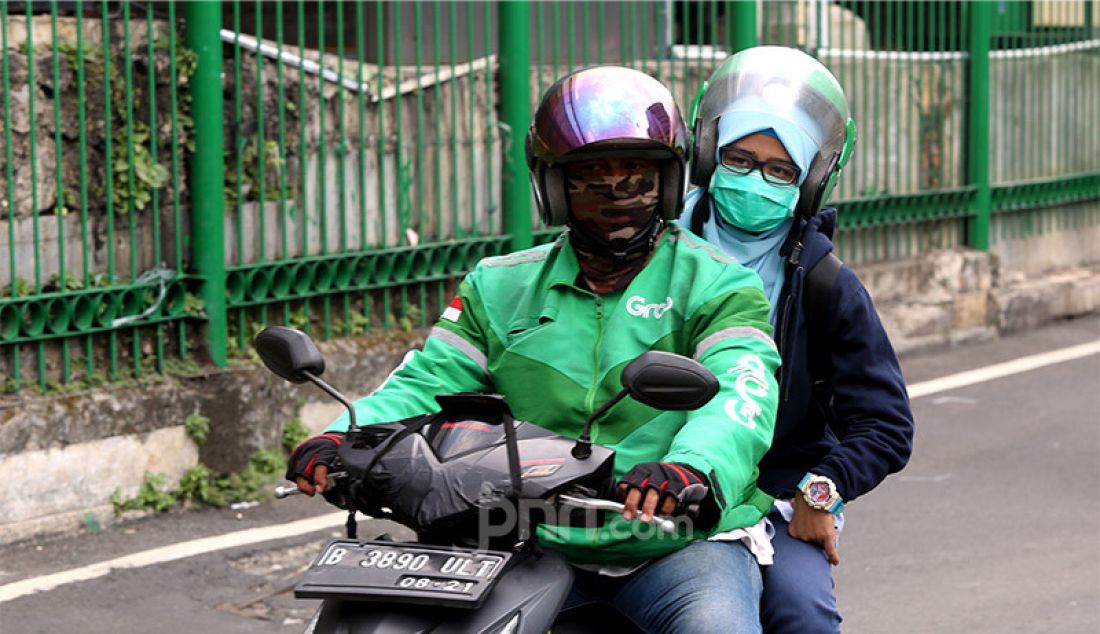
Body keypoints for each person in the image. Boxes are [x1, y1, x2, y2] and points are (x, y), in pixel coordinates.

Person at [286, 66, 781, 633]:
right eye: (591, 176)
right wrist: (343, 435)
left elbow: (743, 394)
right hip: (522, 535)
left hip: (672, 544)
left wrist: (688, 469)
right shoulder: (498, 286)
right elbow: (426, 382)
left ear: (668, 182)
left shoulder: (720, 285)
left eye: (637, 175)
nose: (617, 193)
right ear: (553, 187)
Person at [679, 46, 915, 633]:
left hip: (776, 498)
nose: (756, 179)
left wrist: (821, 490)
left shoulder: (826, 283)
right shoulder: (652, 255)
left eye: (780, 170)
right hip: (650, 491)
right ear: (708, 153)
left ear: (810, 180)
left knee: (801, 613)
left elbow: (885, 424)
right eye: (739, 158)